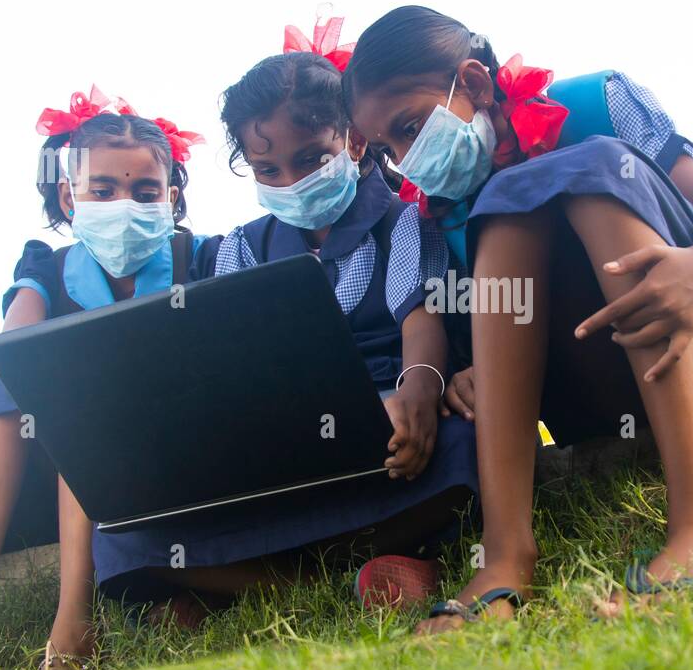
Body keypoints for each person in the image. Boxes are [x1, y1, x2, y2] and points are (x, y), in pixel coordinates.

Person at [343, 6, 693, 631]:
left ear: (471, 84)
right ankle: (505, 558)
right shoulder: (430, 221)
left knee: (584, 166)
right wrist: (464, 374)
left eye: (410, 127)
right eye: (390, 148)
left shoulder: (596, 103)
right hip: (596, 397)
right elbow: (467, 330)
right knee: (506, 204)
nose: (406, 159)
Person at [88, 36, 479, 611]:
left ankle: (255, 580)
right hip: (275, 450)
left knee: (463, 449)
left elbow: (420, 328)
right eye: (267, 168)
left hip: (387, 435)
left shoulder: (404, 223)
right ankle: (328, 579)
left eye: (310, 160)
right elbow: (226, 370)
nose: (290, 182)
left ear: (352, 140)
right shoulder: (242, 249)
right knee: (122, 532)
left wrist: (417, 391)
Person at [0, 90, 207, 670]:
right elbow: (19, 347)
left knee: (77, 379)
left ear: (170, 198)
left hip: (159, 475)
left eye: (145, 192)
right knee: (43, 378)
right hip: (41, 495)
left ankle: (72, 633)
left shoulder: (198, 258)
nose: (124, 206)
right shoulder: (46, 267)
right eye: (102, 189)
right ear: (70, 198)